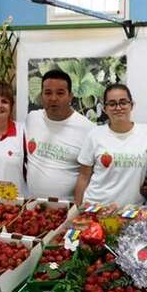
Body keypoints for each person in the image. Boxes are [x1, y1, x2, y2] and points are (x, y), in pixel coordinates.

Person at [74, 84, 147, 206]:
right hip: (96, 208)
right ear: (105, 108)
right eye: (112, 104)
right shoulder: (94, 135)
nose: (118, 107)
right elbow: (84, 176)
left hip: (131, 211)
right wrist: (78, 208)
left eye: (123, 102)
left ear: (132, 105)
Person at [25, 69, 95, 200]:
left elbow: (91, 175)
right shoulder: (32, 119)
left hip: (68, 208)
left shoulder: (88, 129)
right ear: (41, 96)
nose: (53, 98)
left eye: (60, 93)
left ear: (70, 96)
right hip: (32, 206)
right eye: (48, 93)